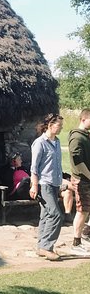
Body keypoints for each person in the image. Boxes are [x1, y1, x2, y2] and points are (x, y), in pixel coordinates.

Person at [29, 113, 65, 261]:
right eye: (59, 125)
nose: (61, 128)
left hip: (55, 183)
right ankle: (46, 247)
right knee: (56, 214)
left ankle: (41, 246)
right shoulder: (39, 143)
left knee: (46, 215)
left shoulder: (56, 142)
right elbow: (34, 167)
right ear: (50, 125)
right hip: (44, 184)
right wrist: (34, 186)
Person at [68, 108, 90, 255]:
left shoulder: (85, 136)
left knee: (86, 210)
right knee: (82, 211)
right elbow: (78, 161)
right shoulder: (77, 138)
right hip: (82, 180)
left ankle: (85, 234)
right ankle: (76, 243)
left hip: (87, 179)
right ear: (84, 119)